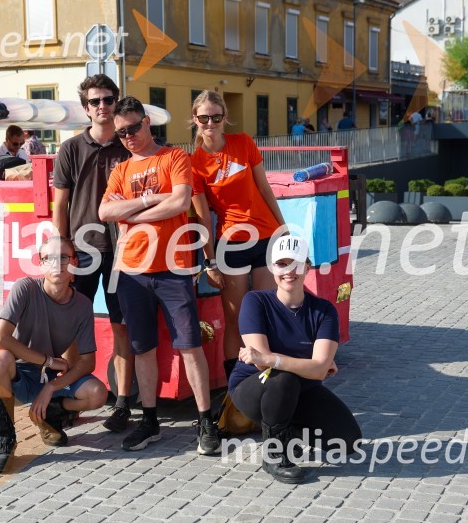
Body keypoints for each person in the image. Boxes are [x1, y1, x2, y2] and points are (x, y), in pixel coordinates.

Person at [99, 96, 220, 455]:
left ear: (147, 122)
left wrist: (130, 211)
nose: (129, 137)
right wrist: (151, 201)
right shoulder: (120, 169)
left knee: (190, 345)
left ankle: (205, 420)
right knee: (142, 348)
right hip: (133, 271)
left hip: (175, 268)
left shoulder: (174, 157)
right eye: (121, 132)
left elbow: (182, 202)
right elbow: (105, 210)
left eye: (134, 128)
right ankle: (149, 420)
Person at [229, 235, 361, 483]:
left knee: (347, 440)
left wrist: (275, 359)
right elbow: (260, 364)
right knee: (284, 379)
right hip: (254, 387)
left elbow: (319, 370)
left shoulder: (324, 310)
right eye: (282, 264)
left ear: (307, 267)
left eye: (297, 264)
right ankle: (275, 454)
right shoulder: (255, 302)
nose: (289, 271)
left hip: (303, 389)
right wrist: (308, 363)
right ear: (272, 268)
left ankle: (292, 433)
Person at [0, 236, 108, 473]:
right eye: (48, 258)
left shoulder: (82, 305)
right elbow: (0, 339)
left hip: (50, 377)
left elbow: (88, 362)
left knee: (97, 394)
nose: (56, 263)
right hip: (19, 375)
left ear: (74, 263)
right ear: (40, 264)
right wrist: (48, 361)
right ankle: (3, 438)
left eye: (63, 257)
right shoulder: (25, 288)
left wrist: (52, 387)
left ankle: (51, 413)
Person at [53, 74, 133, 433]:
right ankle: (71, 394)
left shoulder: (130, 143)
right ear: (86, 108)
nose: (103, 106)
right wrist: (63, 245)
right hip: (82, 251)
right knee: (73, 329)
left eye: (108, 99)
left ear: (116, 101)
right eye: (95, 101)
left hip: (124, 251)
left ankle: (122, 402)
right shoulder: (70, 149)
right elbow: (60, 204)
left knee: (122, 327)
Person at [189, 90, 285, 381]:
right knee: (236, 319)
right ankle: (236, 385)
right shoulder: (194, 164)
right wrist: (210, 262)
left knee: (267, 311)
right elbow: (203, 217)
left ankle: (269, 377)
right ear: (194, 120)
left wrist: (283, 230)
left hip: (266, 236)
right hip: (231, 245)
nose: (210, 123)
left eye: (216, 117)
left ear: (224, 118)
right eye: (204, 117)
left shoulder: (243, 142)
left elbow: (265, 188)